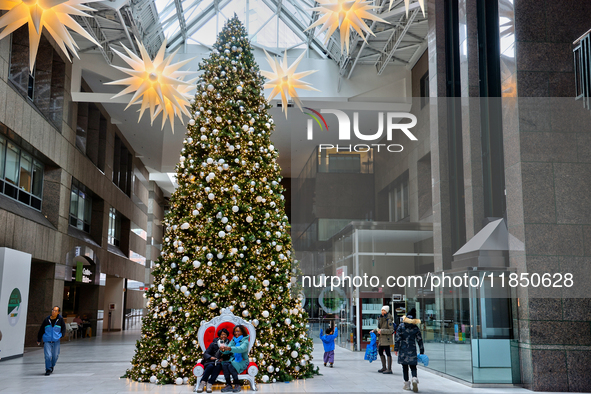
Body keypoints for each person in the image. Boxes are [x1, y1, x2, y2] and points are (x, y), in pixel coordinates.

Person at [394, 308, 424, 392]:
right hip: (412, 348)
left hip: (403, 349)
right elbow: (419, 339)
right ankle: (414, 378)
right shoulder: (415, 327)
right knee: (413, 366)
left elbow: (397, 338)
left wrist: (396, 348)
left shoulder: (401, 326)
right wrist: (421, 350)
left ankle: (407, 384)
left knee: (405, 367)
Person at [197, 328, 230, 393]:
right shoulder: (213, 344)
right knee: (210, 366)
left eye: (225, 335)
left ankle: (209, 384)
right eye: (222, 335)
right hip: (210, 361)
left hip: (219, 362)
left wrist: (223, 358)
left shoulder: (229, 344)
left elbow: (230, 355)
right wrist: (210, 357)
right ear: (219, 335)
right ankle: (202, 383)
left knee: (218, 366)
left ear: (227, 335)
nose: (223, 336)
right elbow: (206, 353)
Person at [37, 306, 66, 376]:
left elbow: (63, 329)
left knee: (55, 355)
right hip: (47, 340)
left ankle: (51, 365)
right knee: (48, 355)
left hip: (56, 340)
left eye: (56, 311)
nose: (53, 312)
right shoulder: (47, 319)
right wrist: (39, 339)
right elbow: (41, 329)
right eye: (53, 310)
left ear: (58, 312)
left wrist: (61, 335)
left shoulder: (60, 319)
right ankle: (48, 369)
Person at [220, 325, 250, 393]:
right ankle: (229, 385)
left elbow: (241, 349)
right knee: (225, 364)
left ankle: (237, 384)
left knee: (231, 365)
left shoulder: (245, 341)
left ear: (242, 332)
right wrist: (223, 350)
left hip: (242, 361)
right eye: (235, 331)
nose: (236, 333)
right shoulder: (233, 340)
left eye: (238, 331)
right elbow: (228, 350)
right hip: (233, 359)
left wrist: (230, 348)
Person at [377, 305, 396, 374]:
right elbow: (380, 327)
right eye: (382, 310)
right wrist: (374, 331)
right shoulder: (380, 318)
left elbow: (391, 330)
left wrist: (382, 331)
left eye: (384, 310)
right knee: (380, 351)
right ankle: (384, 367)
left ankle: (389, 369)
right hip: (382, 338)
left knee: (388, 352)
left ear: (387, 311)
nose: (382, 312)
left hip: (386, 339)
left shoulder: (389, 319)